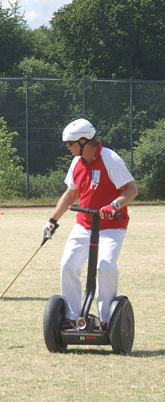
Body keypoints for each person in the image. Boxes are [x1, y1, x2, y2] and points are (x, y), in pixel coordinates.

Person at [42, 118, 138, 329]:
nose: (67, 147)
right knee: (68, 265)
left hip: (112, 226)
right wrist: (52, 221)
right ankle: (72, 316)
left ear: (84, 141)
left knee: (105, 267)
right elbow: (70, 194)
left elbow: (131, 190)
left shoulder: (110, 159)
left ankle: (106, 319)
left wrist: (113, 206)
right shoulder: (76, 162)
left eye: (70, 143)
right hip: (84, 225)